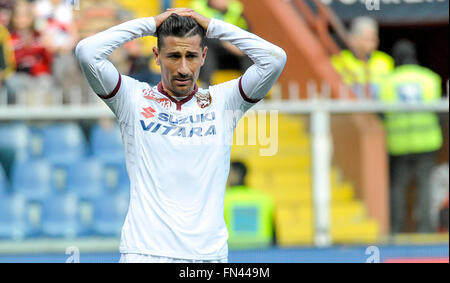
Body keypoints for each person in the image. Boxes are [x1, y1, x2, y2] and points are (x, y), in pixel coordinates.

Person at [76, 8, 286, 263]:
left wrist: (213, 27)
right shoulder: (132, 99)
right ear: (156, 55)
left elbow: (274, 59)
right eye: (174, 56)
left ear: (204, 55)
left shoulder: (223, 102)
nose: (184, 68)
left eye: (192, 56)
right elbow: (87, 52)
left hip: (208, 257)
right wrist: (149, 25)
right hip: (145, 253)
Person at [379, 39, 443, 233]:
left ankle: (396, 229)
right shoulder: (430, 78)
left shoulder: (387, 81)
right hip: (426, 141)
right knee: (424, 186)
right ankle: (424, 229)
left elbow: (381, 114)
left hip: (399, 143)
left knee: (398, 187)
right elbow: (439, 113)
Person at [190, 0, 252, 86]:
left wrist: (240, 46)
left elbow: (247, 32)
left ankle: (252, 89)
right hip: (209, 53)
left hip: (232, 53)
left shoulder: (235, 9)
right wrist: (225, 43)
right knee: (206, 48)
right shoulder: (198, 8)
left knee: (249, 51)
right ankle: (206, 88)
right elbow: (198, 34)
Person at [331, 16, 394, 99]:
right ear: (352, 39)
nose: (372, 43)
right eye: (367, 39)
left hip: (377, 108)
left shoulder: (385, 60)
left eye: (374, 39)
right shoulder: (339, 59)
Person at [225, 161, 274, 248]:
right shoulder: (264, 199)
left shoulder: (221, 200)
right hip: (262, 251)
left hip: (231, 250)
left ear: (236, 174)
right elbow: (275, 235)